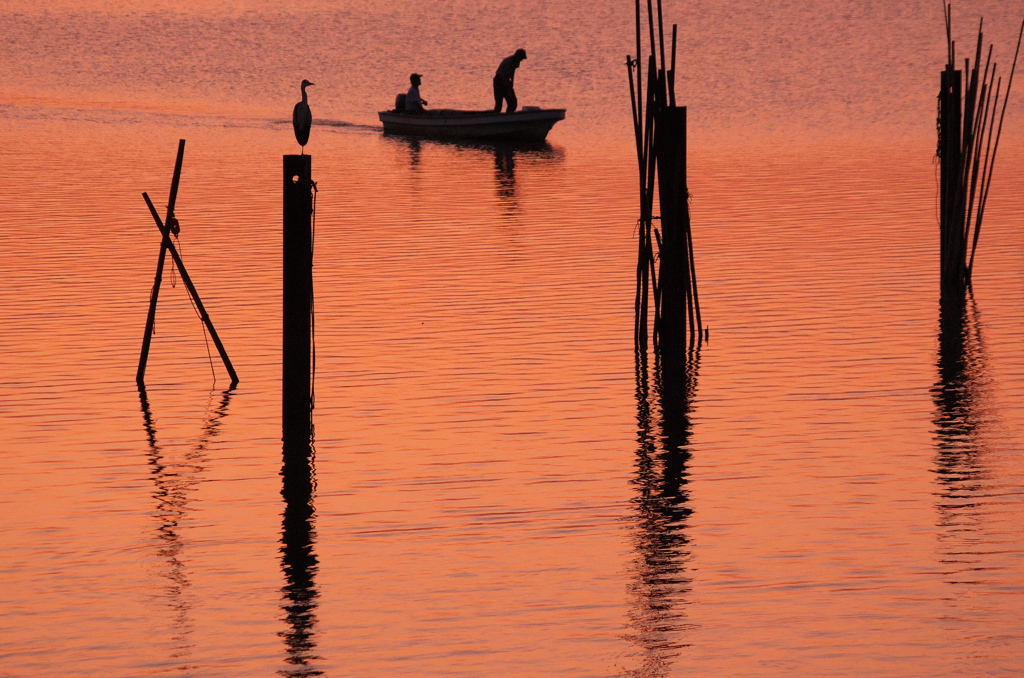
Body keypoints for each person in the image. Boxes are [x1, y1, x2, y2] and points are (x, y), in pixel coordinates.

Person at [493, 48, 527, 113]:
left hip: (506, 81)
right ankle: (499, 118)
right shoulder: (508, 62)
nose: (521, 60)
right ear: (518, 56)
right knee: (499, 104)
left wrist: (511, 82)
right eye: (521, 58)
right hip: (499, 81)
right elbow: (502, 76)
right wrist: (508, 88)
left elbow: (513, 71)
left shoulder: (516, 61)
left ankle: (509, 115)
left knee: (513, 102)